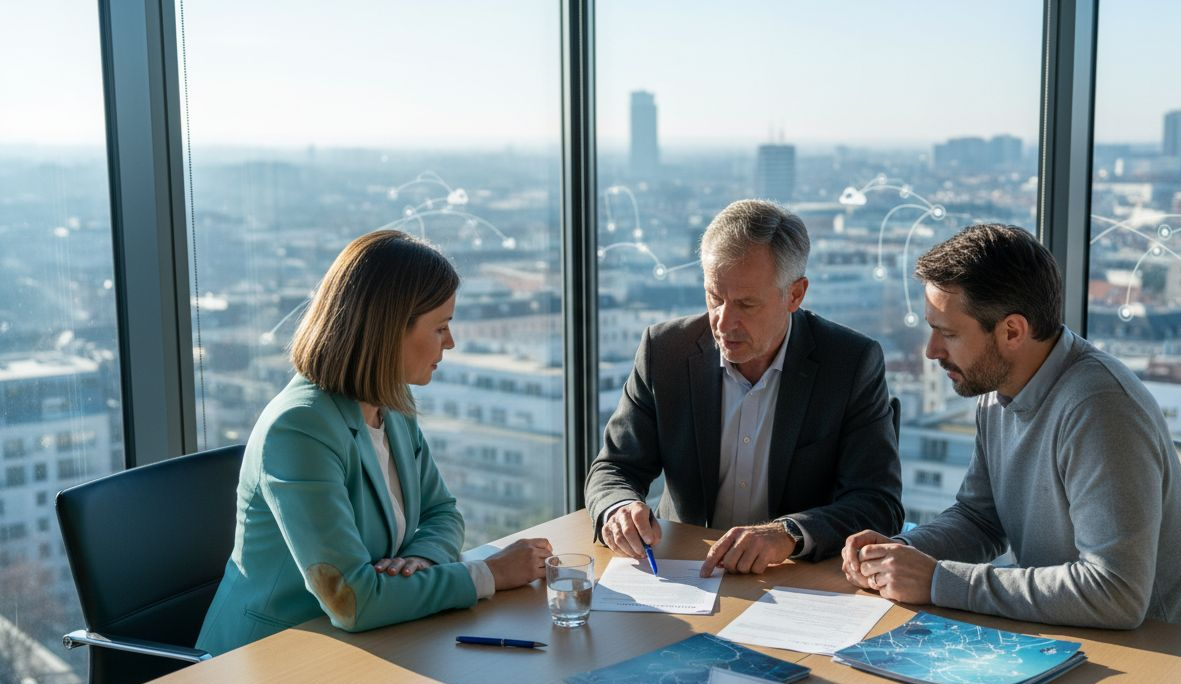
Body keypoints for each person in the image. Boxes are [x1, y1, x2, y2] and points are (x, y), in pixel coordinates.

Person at [842, 223, 1181, 631]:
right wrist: (899, 554)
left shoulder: (1101, 409)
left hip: (1156, 662)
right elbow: (980, 519)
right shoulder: (998, 386)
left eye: (947, 333)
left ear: (1012, 332)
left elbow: (1116, 592)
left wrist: (937, 581)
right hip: (1066, 638)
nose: (931, 351)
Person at [197, 230, 552, 655]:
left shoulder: (392, 406)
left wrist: (423, 560)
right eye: (440, 327)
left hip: (368, 647)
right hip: (270, 660)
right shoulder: (299, 428)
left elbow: (443, 512)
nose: (451, 342)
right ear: (387, 330)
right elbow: (353, 600)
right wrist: (489, 574)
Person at [586, 199, 903, 579]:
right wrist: (618, 508)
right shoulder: (665, 351)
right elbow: (615, 468)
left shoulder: (850, 363)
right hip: (686, 573)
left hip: (794, 579)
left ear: (795, 295)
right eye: (714, 297)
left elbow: (877, 502)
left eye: (745, 304)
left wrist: (788, 533)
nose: (723, 321)